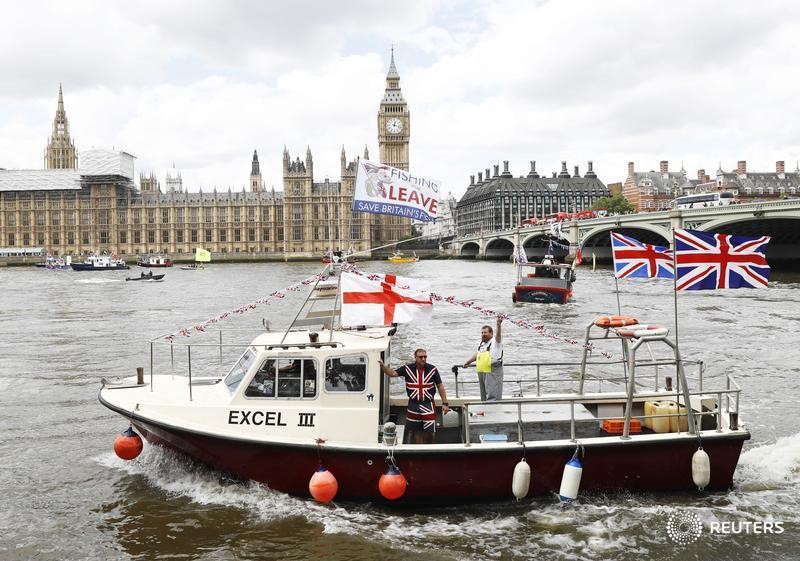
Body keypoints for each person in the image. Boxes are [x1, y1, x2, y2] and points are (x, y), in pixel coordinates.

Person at [379, 349, 448, 444]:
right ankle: (419, 451)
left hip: (428, 404)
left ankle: (429, 449)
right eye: (421, 357)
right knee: (416, 431)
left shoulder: (433, 370)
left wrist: (445, 403)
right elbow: (392, 373)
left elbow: (440, 386)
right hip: (413, 405)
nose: (423, 359)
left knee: (431, 431)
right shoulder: (407, 369)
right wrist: (383, 366)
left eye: (425, 357)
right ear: (415, 358)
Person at [463, 317, 504, 401]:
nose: (483, 334)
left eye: (485, 332)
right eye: (482, 333)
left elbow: (498, 337)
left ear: (491, 333)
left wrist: (498, 325)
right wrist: (468, 362)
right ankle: (485, 411)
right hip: (482, 371)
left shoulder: (495, 342)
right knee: (484, 396)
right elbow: (477, 354)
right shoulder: (482, 343)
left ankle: (493, 412)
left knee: (493, 395)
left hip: (493, 371)